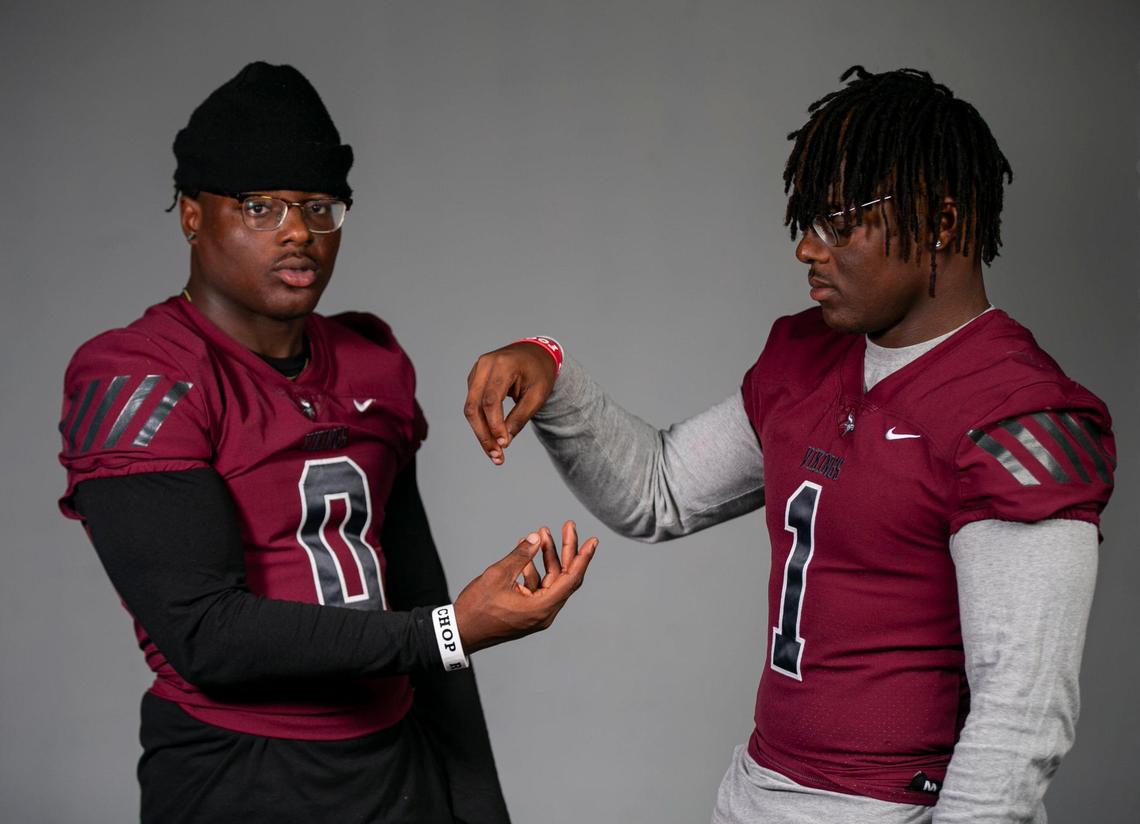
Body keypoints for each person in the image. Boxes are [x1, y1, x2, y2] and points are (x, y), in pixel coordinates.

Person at [464, 66, 1116, 823]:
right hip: (758, 789)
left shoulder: (1019, 412)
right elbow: (658, 492)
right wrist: (552, 371)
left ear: (941, 224)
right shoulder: (806, 354)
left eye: (839, 222)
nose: (807, 249)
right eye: (806, 219)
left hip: (897, 808)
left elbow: (1020, 716)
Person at [57, 62, 597, 824]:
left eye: (320, 206)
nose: (298, 231)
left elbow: (415, 587)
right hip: (238, 769)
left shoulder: (371, 358)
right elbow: (207, 635)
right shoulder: (141, 374)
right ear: (189, 212)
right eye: (259, 205)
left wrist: (477, 802)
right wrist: (446, 631)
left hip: (393, 758)